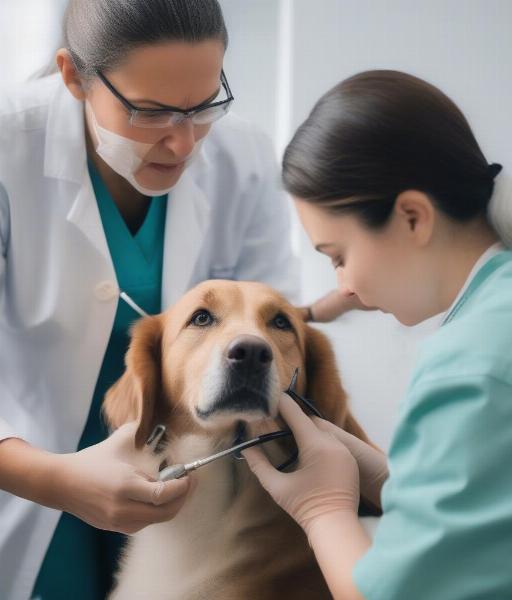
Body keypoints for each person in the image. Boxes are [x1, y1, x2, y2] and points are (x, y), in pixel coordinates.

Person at [0, 1, 355, 598]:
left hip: (202, 484)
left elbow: (267, 335)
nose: (184, 142)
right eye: (150, 111)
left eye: (204, 104)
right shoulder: (10, 151)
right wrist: (55, 479)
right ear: (73, 77)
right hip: (27, 472)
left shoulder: (241, 158)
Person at [242, 70, 512, 600]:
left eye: (338, 257)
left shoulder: (481, 364)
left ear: (413, 217)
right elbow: (510, 488)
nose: (345, 287)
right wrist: (386, 478)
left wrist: (323, 509)